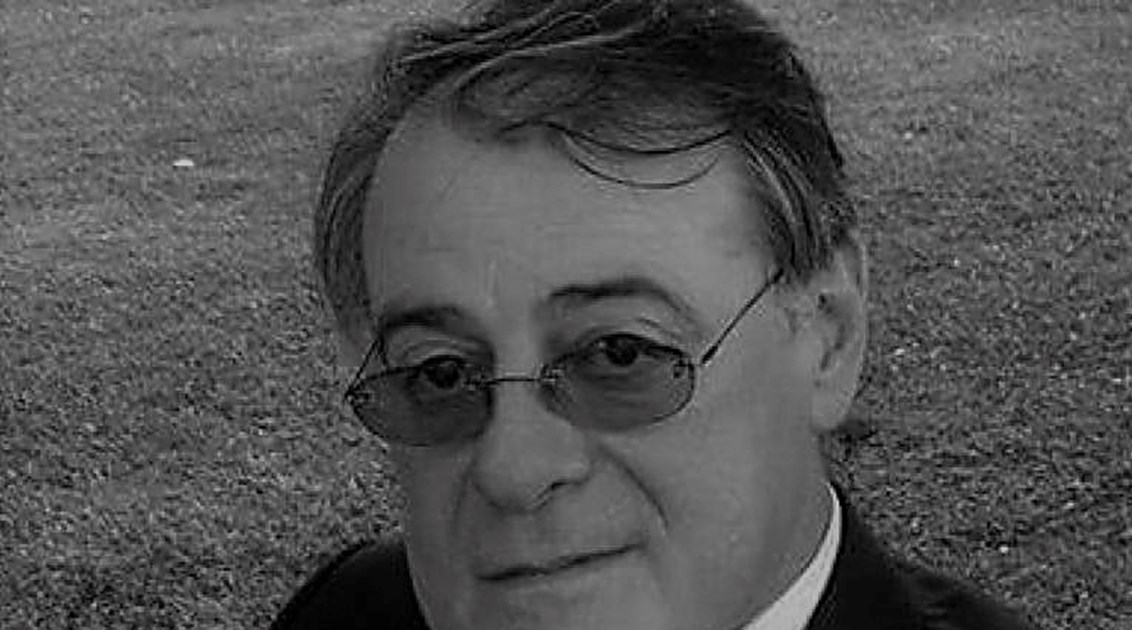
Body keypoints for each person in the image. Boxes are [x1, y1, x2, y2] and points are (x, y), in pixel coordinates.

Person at [273, 1, 1038, 628]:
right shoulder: (345, 614)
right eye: (439, 373)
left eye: (618, 354)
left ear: (828, 334)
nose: (514, 470)